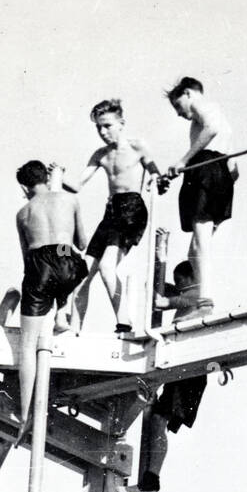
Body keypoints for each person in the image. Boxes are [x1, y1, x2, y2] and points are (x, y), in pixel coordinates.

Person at [117, 260, 208, 492]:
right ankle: (149, 486)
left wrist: (156, 266)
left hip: (190, 371)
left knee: (158, 420)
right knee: (157, 420)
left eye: (180, 282)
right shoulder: (192, 297)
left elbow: (162, 301)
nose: (177, 287)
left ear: (190, 280)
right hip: (185, 371)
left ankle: (150, 486)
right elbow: (167, 291)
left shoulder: (198, 297)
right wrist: (157, 267)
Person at [71, 99, 161, 335]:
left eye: (107, 125)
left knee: (107, 266)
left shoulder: (137, 146)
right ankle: (74, 330)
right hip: (110, 213)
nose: (103, 132)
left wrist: (155, 177)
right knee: (81, 275)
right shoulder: (100, 155)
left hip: (131, 209)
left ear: (121, 123)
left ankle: (124, 321)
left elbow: (155, 171)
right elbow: (77, 184)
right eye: (99, 127)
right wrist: (55, 178)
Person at [14, 159, 88, 432]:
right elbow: (82, 243)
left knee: (28, 344)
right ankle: (62, 310)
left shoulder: (23, 213)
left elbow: (27, 258)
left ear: (24, 186)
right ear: (46, 177)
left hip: (38, 263)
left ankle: (23, 415)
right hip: (64, 256)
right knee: (78, 264)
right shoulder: (69, 200)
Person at [164, 77, 236, 311]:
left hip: (204, 168)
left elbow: (211, 129)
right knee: (194, 248)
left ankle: (205, 298)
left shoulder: (201, 106)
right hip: (222, 171)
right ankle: (196, 298)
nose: (178, 113)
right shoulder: (222, 117)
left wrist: (184, 160)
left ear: (187, 94)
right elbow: (234, 170)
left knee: (201, 241)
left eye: (177, 106)